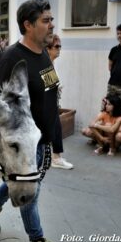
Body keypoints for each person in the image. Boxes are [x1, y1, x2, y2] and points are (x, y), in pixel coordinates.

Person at [0, 0, 60, 242]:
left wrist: (53, 139)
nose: (51, 24)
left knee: (26, 186)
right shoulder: (12, 58)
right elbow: (1, 107)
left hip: (42, 138)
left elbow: (50, 95)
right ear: (28, 24)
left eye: (51, 19)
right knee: (29, 192)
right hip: (24, 143)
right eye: (46, 20)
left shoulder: (44, 54)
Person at [46, 34, 73, 169]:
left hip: (49, 103)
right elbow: (49, 87)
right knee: (56, 128)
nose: (59, 49)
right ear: (48, 48)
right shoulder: (46, 63)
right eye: (57, 46)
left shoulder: (50, 62)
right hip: (46, 104)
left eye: (60, 46)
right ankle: (56, 158)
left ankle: (55, 157)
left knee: (55, 128)